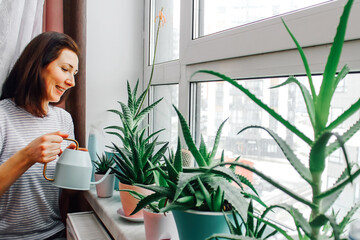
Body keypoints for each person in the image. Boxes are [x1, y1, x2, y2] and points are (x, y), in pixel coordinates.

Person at [0, 31, 79, 239]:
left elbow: (66, 194)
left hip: (55, 234)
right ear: (37, 65)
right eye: (65, 69)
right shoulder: (2, 117)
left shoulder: (64, 120)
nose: (71, 81)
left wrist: (76, 168)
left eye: (74, 73)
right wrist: (27, 156)